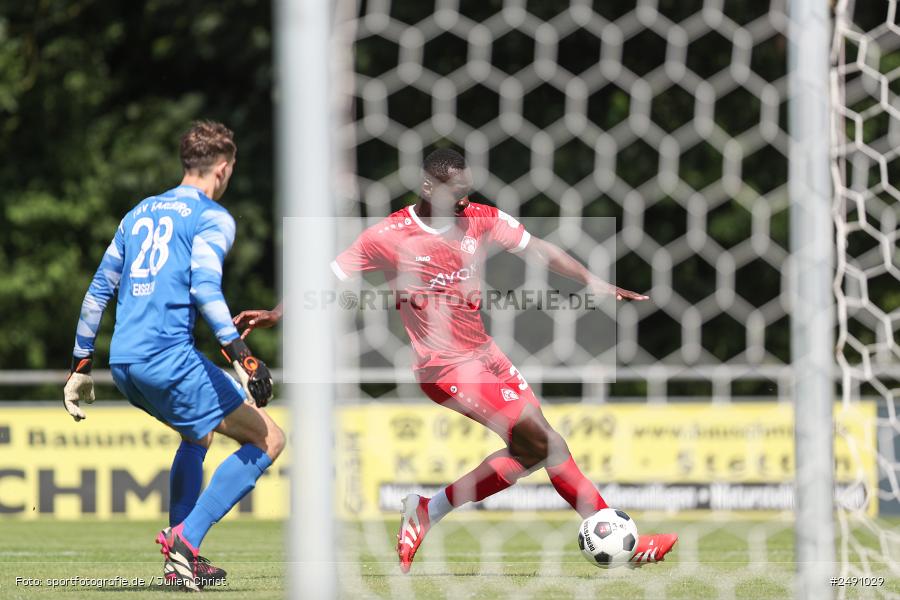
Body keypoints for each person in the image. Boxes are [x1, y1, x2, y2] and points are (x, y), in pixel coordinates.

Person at [234, 148, 676, 571]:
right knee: (547, 444)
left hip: (487, 355)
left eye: (467, 190)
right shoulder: (388, 236)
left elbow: (538, 248)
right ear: (427, 187)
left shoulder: (479, 219)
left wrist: (593, 281)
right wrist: (276, 313)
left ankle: (427, 510)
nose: (464, 200)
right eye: (455, 192)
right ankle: (622, 543)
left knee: (531, 453)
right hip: (445, 368)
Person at [63, 121, 284, 591]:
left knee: (197, 438)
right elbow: (205, 288)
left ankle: (181, 563)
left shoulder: (137, 214)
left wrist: (81, 365)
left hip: (124, 364)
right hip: (167, 359)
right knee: (270, 441)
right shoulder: (212, 216)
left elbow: (98, 291)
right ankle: (185, 540)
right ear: (223, 168)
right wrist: (243, 357)